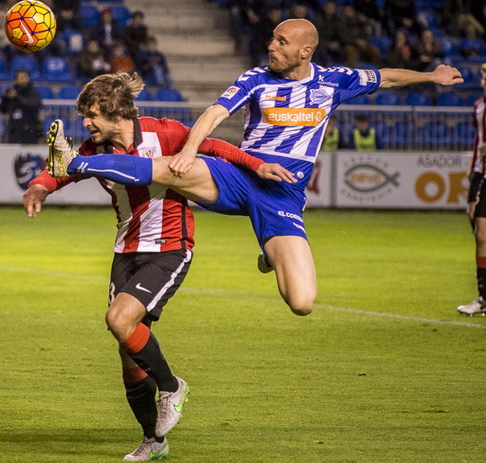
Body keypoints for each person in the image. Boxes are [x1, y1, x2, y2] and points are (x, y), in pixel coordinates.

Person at [47, 18, 463, 317]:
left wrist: (432, 75)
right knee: (169, 168)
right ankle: (75, 160)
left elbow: (385, 77)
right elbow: (214, 113)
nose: (271, 47)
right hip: (238, 176)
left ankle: (269, 254)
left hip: (282, 194)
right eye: (272, 40)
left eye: (281, 42)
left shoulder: (333, 81)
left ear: (304, 51)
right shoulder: (255, 79)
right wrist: (190, 151)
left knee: (301, 303)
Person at [25, 72, 288, 460]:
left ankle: (171, 386)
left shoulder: (162, 132)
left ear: (117, 114)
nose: (86, 123)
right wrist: (39, 187)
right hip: (125, 251)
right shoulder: (94, 148)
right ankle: (154, 439)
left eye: (92, 115)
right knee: (127, 353)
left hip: (169, 246)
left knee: (118, 320)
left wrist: (255, 165)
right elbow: (60, 169)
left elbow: (213, 146)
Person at [458, 62, 486, 316]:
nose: (484, 79)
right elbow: (479, 144)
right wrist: (473, 177)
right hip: (484, 179)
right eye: (483, 74)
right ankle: (483, 297)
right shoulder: (479, 107)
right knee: (481, 236)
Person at [0, 69, 42, 144]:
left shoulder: (33, 92)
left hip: (30, 129)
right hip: (14, 129)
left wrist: (17, 97)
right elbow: (3, 109)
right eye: (20, 78)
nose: (22, 80)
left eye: (24, 77)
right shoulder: (13, 92)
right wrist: (5, 98)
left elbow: (34, 105)